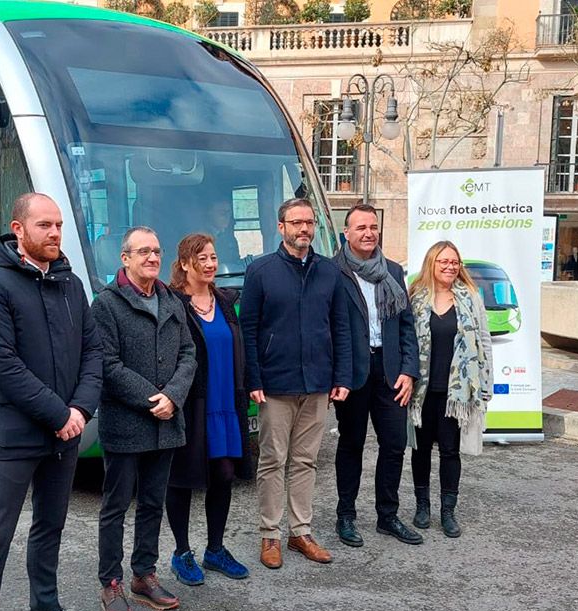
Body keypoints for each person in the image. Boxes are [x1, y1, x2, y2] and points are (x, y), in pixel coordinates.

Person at [0, 193, 104, 611]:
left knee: (51, 526)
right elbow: (3, 365)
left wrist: (81, 409)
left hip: (64, 434)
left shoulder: (70, 284)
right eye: (44, 224)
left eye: (59, 225)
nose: (54, 233)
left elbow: (93, 352)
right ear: (18, 229)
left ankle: (44, 610)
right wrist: (59, 413)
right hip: (15, 436)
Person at [91, 226, 197, 611]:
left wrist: (174, 396)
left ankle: (144, 574)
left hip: (166, 423)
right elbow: (107, 364)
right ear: (125, 259)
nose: (152, 258)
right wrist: (155, 399)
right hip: (127, 423)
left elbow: (188, 353)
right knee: (115, 506)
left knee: (153, 503)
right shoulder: (106, 304)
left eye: (156, 251)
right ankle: (110, 582)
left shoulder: (170, 299)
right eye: (143, 252)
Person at [241, 197, 352, 569]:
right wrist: (253, 378)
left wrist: (341, 375)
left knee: (306, 461)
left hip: (318, 383)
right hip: (275, 384)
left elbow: (340, 327)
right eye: (296, 222)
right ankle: (270, 535)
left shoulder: (329, 272)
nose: (304, 229)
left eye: (309, 222)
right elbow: (249, 330)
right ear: (281, 227)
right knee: (273, 460)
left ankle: (300, 532)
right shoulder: (260, 271)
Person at [165, 233, 253, 587]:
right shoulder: (173, 303)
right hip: (192, 403)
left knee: (224, 474)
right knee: (183, 477)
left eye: (213, 257)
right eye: (202, 258)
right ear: (185, 263)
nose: (210, 264)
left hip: (226, 402)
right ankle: (181, 552)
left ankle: (215, 549)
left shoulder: (226, 301)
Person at [331, 204, 421, 548]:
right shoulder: (333, 271)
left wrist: (409, 371)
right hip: (352, 371)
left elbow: (407, 326)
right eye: (361, 228)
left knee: (395, 444)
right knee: (351, 444)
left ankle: (388, 515)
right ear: (346, 233)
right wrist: (334, 375)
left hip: (390, 370)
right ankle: (346, 515)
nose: (369, 233)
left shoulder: (393, 271)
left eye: (373, 227)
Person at [407, 241, 493, 539]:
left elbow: (484, 340)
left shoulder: (470, 297)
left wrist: (486, 383)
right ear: (431, 263)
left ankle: (448, 511)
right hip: (422, 391)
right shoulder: (416, 296)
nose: (449, 266)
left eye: (454, 262)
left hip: (455, 394)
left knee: (450, 451)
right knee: (419, 451)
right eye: (443, 261)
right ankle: (422, 506)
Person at [208, 201, 242, 267]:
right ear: (210, 213)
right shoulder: (200, 237)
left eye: (229, 213)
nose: (227, 216)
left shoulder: (230, 238)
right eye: (222, 213)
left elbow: (236, 262)